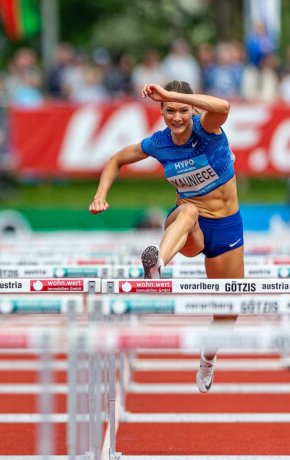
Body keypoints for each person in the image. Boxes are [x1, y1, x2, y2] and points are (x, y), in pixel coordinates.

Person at [89, 81, 243, 393]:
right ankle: (157, 265)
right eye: (169, 111)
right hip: (187, 228)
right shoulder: (159, 144)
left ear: (192, 110)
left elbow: (224, 107)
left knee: (228, 313)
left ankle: (207, 359)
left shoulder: (208, 128)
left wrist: (171, 94)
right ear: (161, 113)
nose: (176, 116)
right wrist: (99, 195)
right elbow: (116, 159)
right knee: (188, 211)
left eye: (182, 110)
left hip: (226, 227)